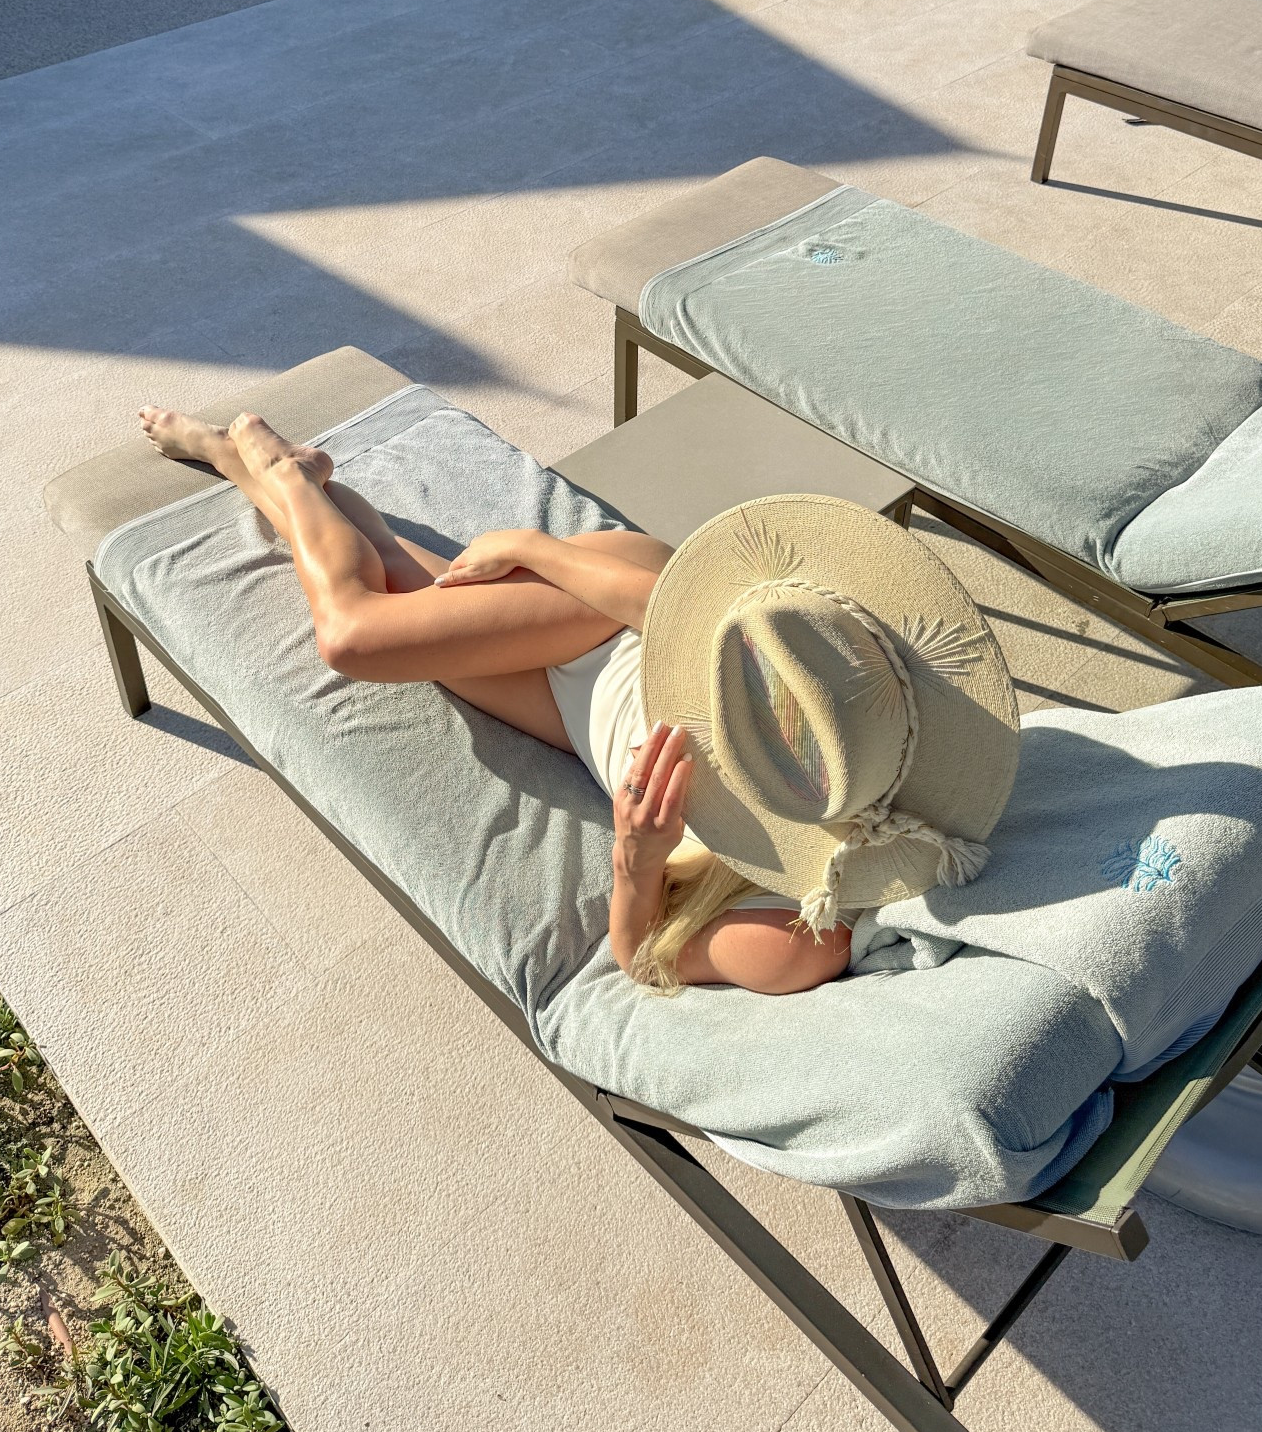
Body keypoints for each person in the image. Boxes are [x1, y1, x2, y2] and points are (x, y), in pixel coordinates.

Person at [137, 405, 1020, 997]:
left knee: (399, 589)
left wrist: (639, 855)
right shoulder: (881, 745)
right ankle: (278, 472)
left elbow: (642, 959)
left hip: (580, 716)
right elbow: (691, 608)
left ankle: (261, 465)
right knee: (358, 636)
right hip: (632, 621)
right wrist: (537, 548)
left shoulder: (801, 937)